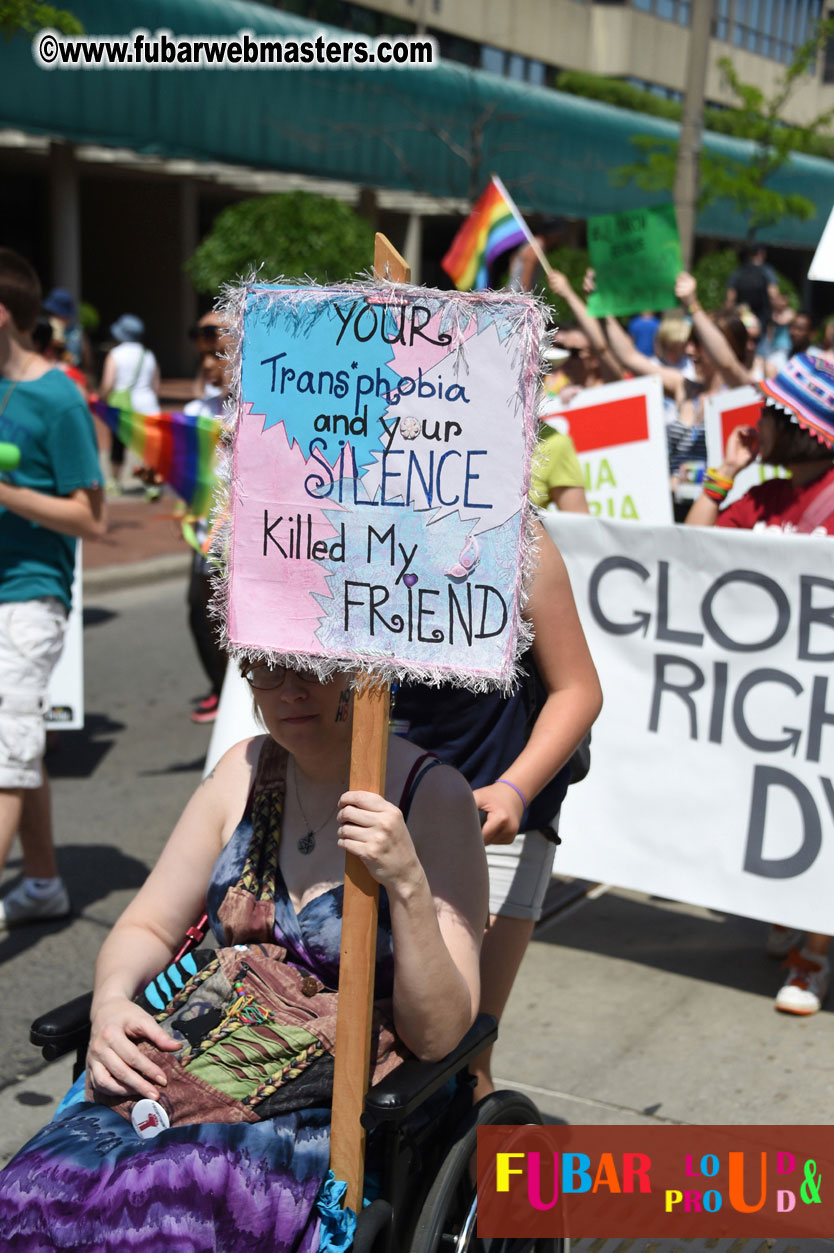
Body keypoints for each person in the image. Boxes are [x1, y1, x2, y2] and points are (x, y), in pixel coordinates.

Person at [0, 664, 488, 1248]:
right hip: (201, 1046)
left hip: (330, 1093)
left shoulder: (432, 795)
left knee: (167, 1211)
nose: (289, 691)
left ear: (362, 671)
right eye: (264, 671)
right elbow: (150, 924)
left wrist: (406, 882)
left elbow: (437, 1036)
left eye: (310, 669)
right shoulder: (245, 770)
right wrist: (109, 1004)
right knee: (33, 1194)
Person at [393, 520, 602, 1100]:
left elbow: (578, 689)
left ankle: (489, 1186)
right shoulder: (336, 515)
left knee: (461, 1059)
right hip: (366, 811)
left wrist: (515, 789)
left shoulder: (516, 534)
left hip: (488, 816)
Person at [685, 350, 834, 1015]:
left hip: (820, 695)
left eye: (769, 415)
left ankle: (817, 951)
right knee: (777, 808)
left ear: (804, 426)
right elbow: (687, 550)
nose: (757, 425)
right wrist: (724, 474)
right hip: (769, 694)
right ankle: (791, 911)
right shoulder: (765, 494)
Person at [0, 249, 104, 930]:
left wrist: (6, 493)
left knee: (5, 750)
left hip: (31, 596)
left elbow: (91, 516)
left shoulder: (59, 396)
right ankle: (42, 882)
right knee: (18, 742)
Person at [184, 312, 232, 724]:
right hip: (207, 538)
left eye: (217, 355)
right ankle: (224, 692)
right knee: (204, 615)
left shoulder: (264, 407)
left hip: (251, 542)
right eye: (203, 357)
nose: (207, 366)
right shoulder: (197, 410)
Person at [99, 314, 160, 494]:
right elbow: (155, 385)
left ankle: (114, 483)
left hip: (122, 407)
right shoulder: (148, 355)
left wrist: (101, 398)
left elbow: (108, 383)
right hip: (148, 406)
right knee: (149, 448)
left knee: (118, 445)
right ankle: (151, 485)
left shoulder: (115, 354)